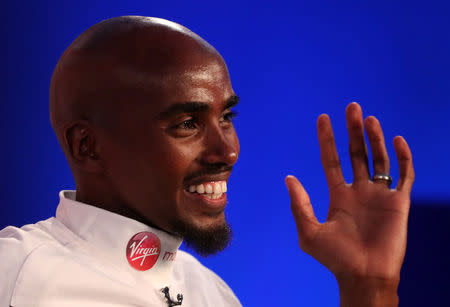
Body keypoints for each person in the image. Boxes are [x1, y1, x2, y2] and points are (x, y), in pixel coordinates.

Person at [0, 16, 414, 307]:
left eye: (226, 118)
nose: (228, 151)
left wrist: (369, 288)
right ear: (87, 146)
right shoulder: (15, 273)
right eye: (186, 123)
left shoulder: (211, 293)